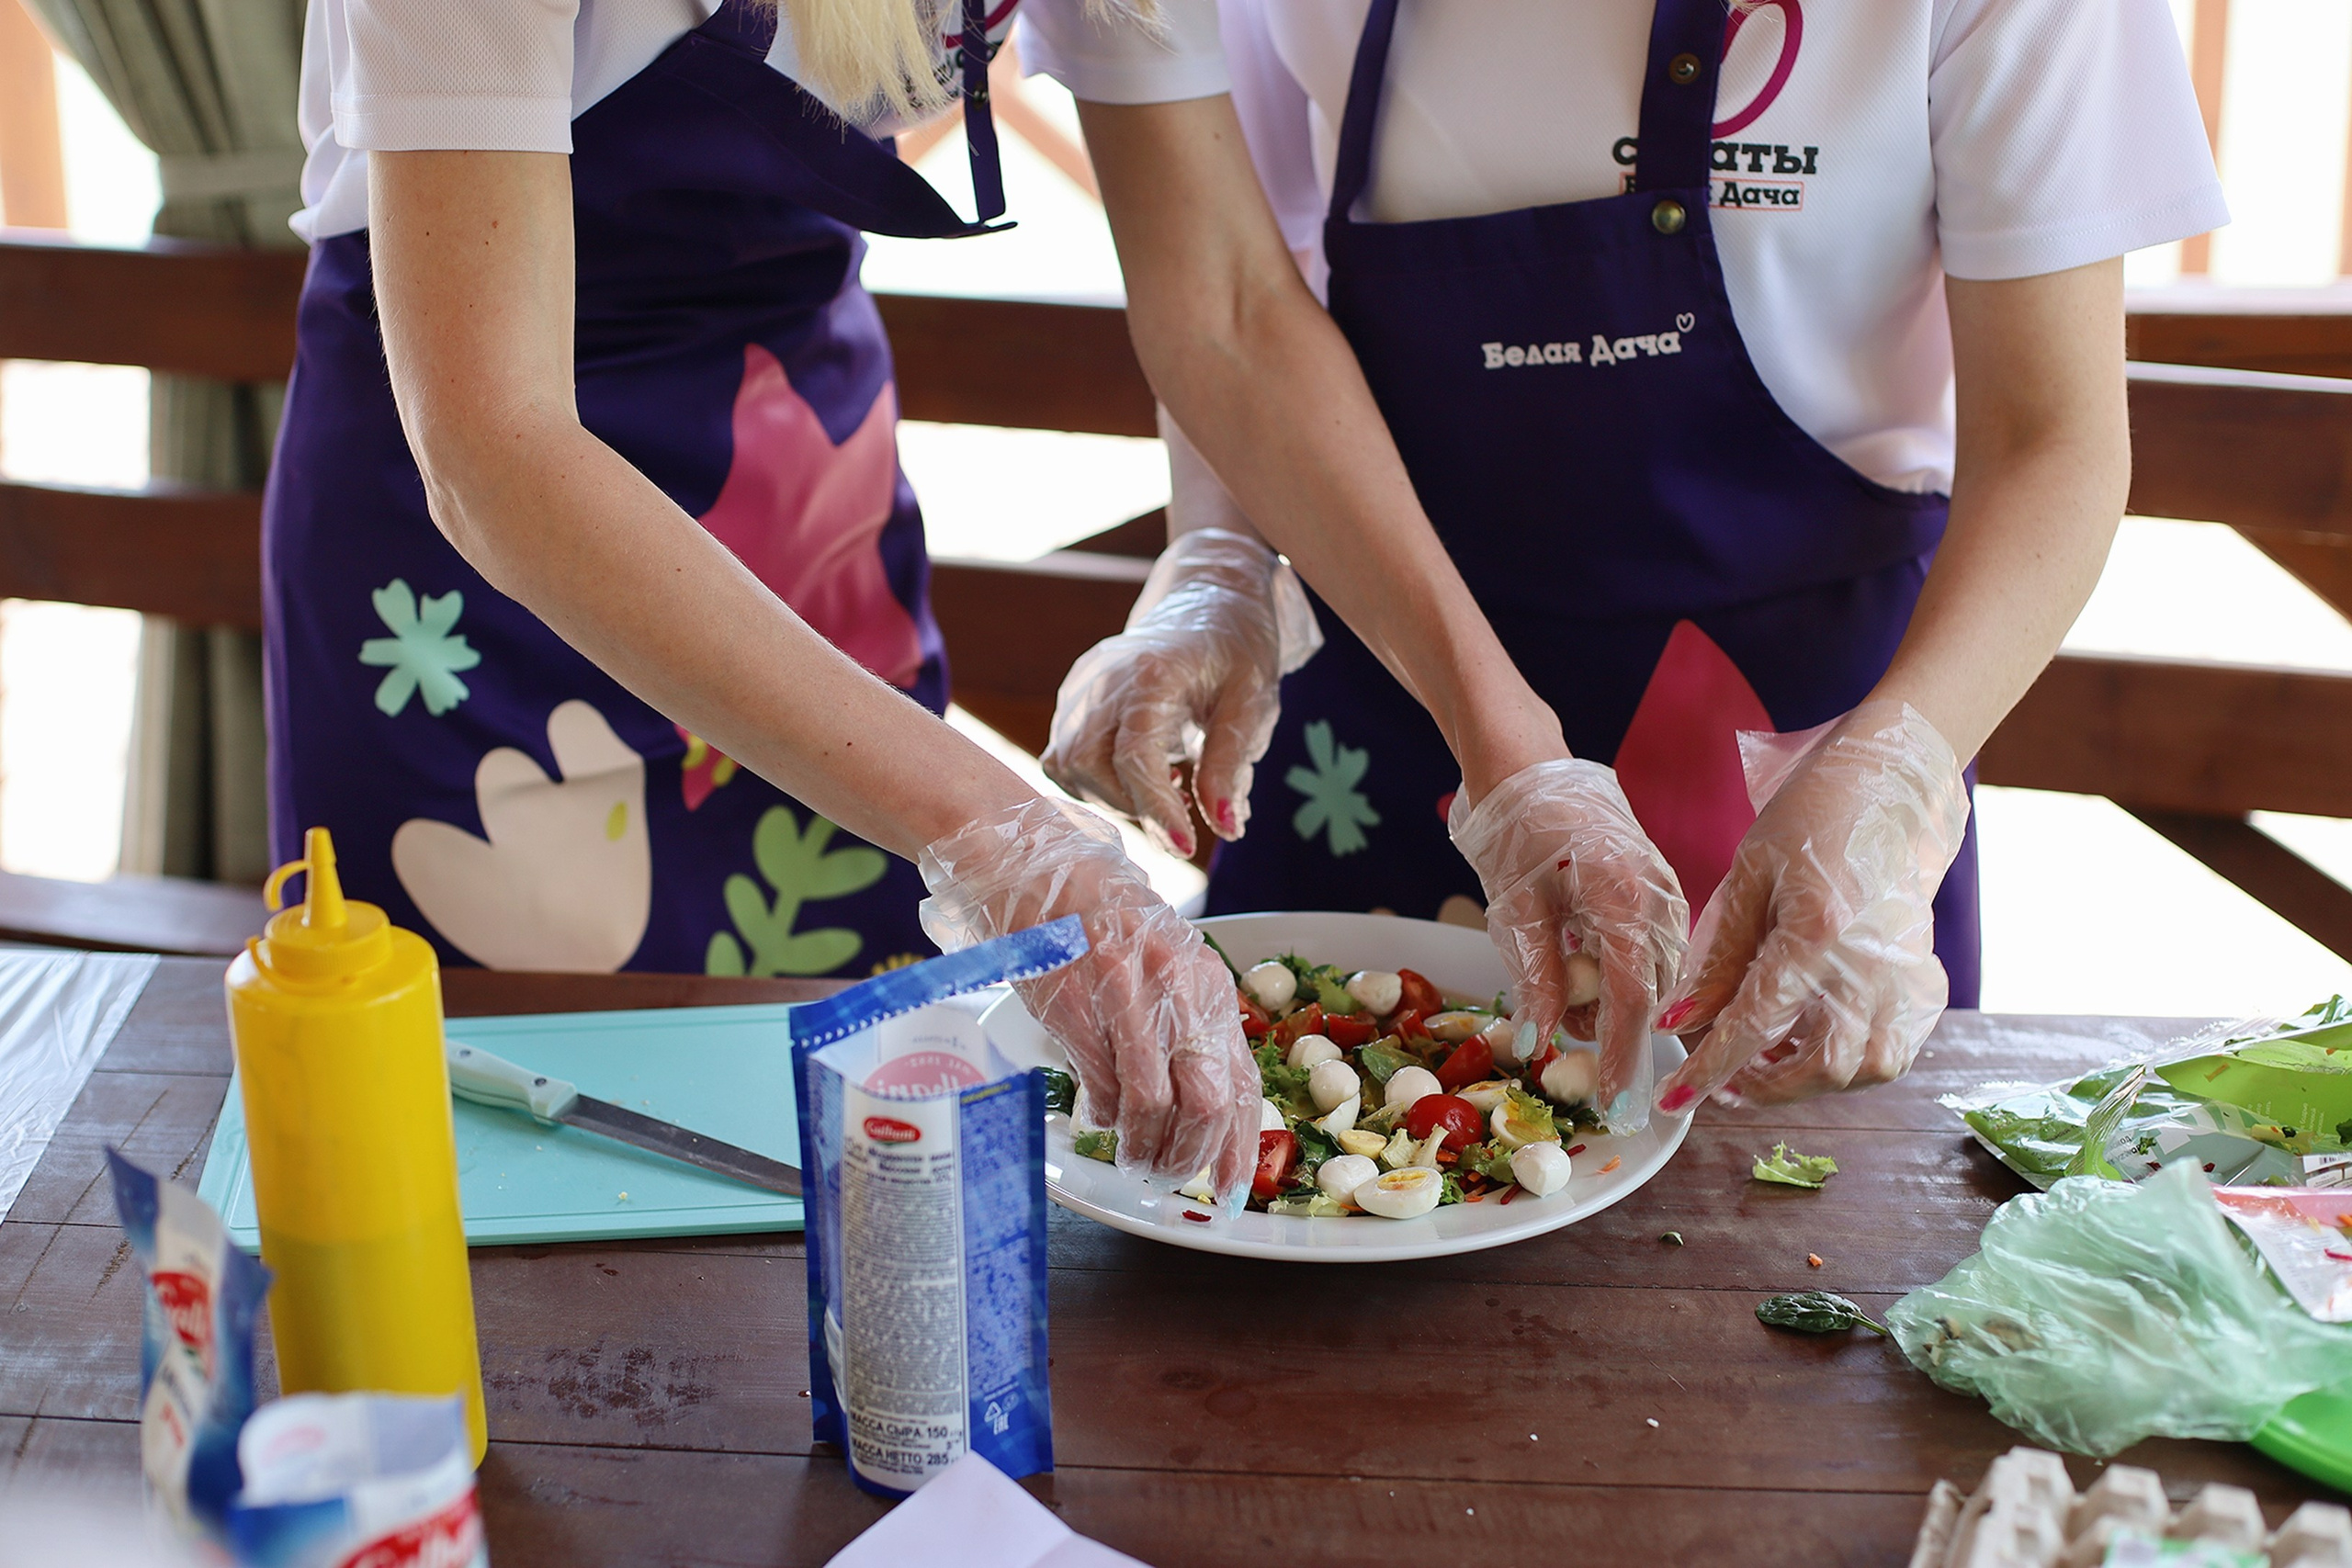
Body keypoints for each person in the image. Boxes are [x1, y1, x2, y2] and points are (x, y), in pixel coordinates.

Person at [1028, 0, 2225, 1121]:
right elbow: (1233, 296)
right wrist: (1222, 555)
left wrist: (1901, 772)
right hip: (1385, 687)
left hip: (1809, 756)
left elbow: (2048, 439)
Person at [267, 0, 1256, 1191]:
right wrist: (1000, 834)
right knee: (511, 1182)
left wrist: (1223, 561)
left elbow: (1230, 292)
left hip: (792, 494)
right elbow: (491, 449)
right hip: (472, 580)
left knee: (875, 1184)